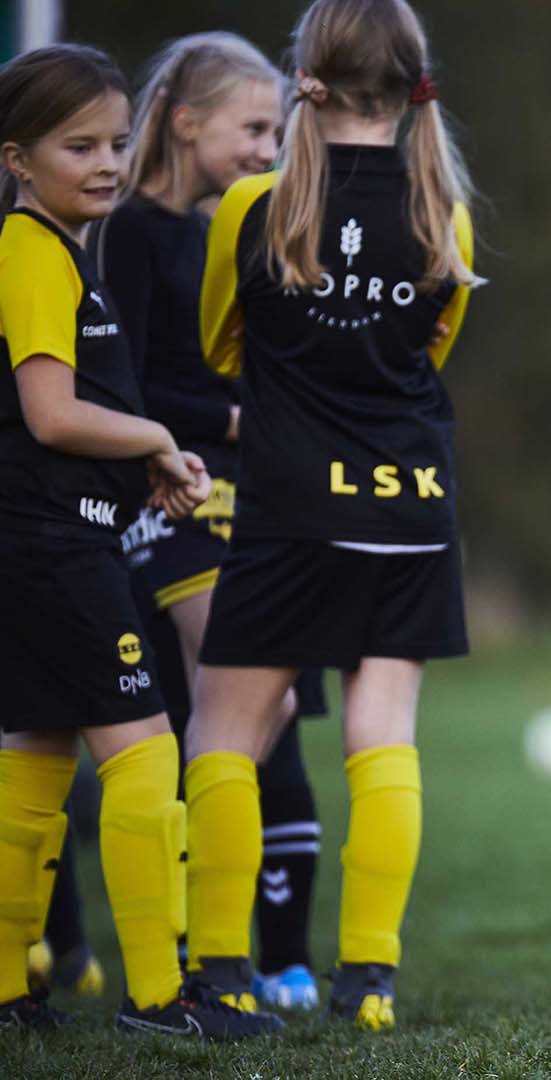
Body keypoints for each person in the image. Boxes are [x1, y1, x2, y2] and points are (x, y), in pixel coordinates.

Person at [183, 0, 477, 1033]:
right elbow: (431, 352)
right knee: (382, 732)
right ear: (411, 84)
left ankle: (217, 973)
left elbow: (222, 344)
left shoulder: (250, 206)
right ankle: (370, 982)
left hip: (289, 505)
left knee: (226, 729)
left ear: (305, 77)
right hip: (411, 504)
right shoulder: (445, 209)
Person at [0, 43, 281, 1039]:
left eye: (117, 140)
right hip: (50, 551)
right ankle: (162, 997)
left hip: (50, 540)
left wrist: (141, 479)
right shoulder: (31, 250)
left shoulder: (67, 247)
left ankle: (9, 988)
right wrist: (162, 437)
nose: (107, 162)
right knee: (147, 754)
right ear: (17, 160)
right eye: (78, 146)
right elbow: (49, 414)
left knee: (35, 752)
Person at [96, 30, 329, 1012]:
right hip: (167, 500)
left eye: (278, 128)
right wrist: (222, 422)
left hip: (245, 498)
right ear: (184, 124)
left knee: (263, 713)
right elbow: (128, 381)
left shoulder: (228, 226)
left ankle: (251, 952)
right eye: (252, 127)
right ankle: (194, 954)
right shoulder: (129, 232)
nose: (266, 147)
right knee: (220, 711)